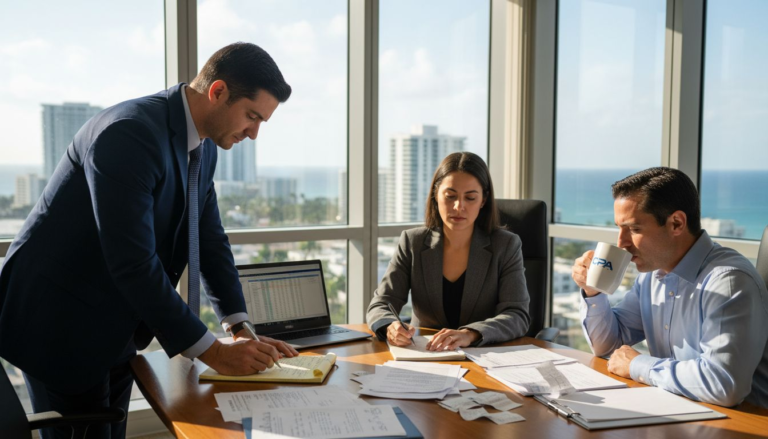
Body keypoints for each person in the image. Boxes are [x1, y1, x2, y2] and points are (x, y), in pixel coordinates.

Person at [0, 42, 300, 438]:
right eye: (252, 116)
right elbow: (133, 262)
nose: (254, 133)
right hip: (61, 325)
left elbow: (210, 239)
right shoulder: (130, 133)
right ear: (218, 91)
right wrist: (213, 354)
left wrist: (239, 325)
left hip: (115, 325)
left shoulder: (204, 149)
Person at [571, 167, 768, 408]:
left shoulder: (728, 282)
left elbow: (724, 384)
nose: (621, 243)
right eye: (619, 228)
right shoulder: (653, 274)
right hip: (677, 410)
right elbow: (607, 345)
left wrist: (637, 365)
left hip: (743, 423)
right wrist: (594, 292)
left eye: (634, 229)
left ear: (676, 223)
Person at [367, 152, 530, 351]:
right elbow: (381, 303)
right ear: (436, 195)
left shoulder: (506, 245)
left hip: (483, 357)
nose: (458, 206)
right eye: (450, 196)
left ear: (483, 200)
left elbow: (517, 315)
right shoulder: (413, 242)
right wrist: (390, 326)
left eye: (470, 198)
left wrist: (470, 334)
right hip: (426, 355)